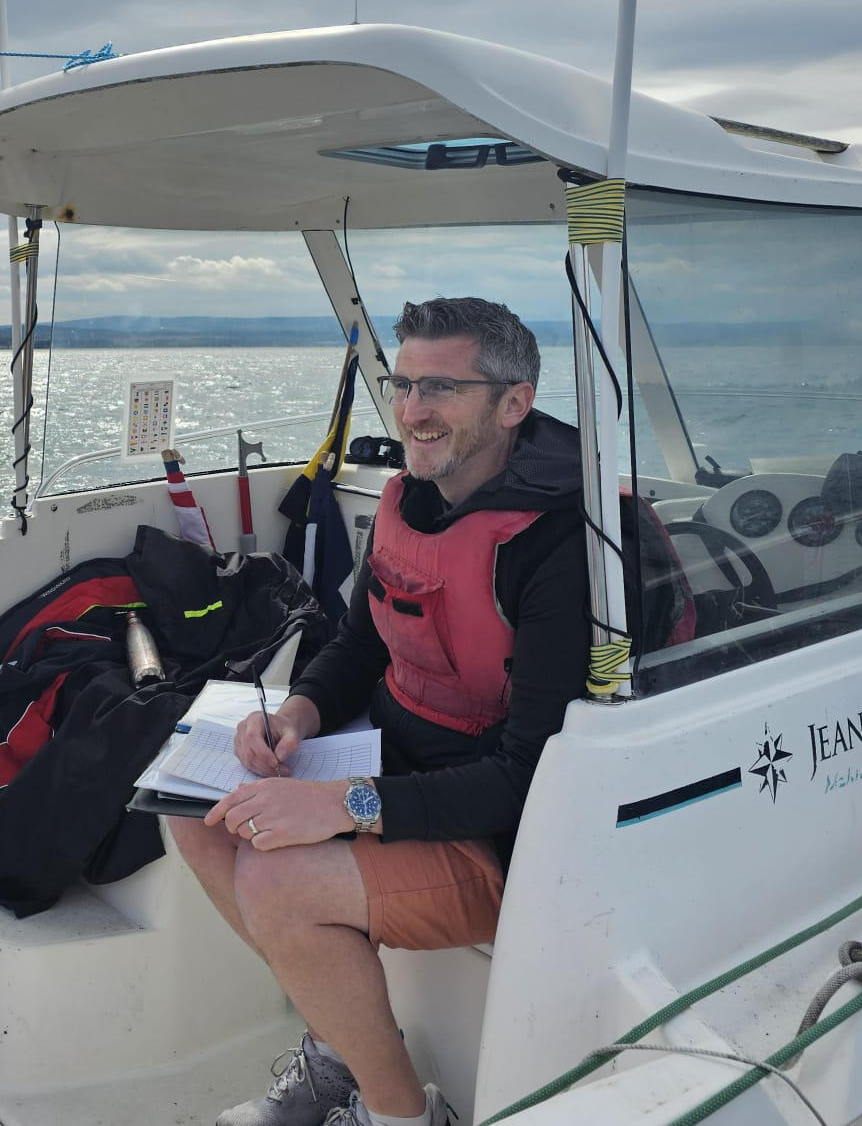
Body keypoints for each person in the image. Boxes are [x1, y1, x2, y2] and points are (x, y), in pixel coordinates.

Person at [173, 296, 588, 1126]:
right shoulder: (410, 500)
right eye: (402, 384)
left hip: (501, 835)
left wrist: (343, 806)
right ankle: (340, 1053)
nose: (411, 410)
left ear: (515, 403)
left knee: (277, 880)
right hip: (396, 766)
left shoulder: (563, 548)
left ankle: (401, 1115)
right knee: (198, 815)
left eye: (442, 388)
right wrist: (298, 716)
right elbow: (360, 645)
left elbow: (527, 778)